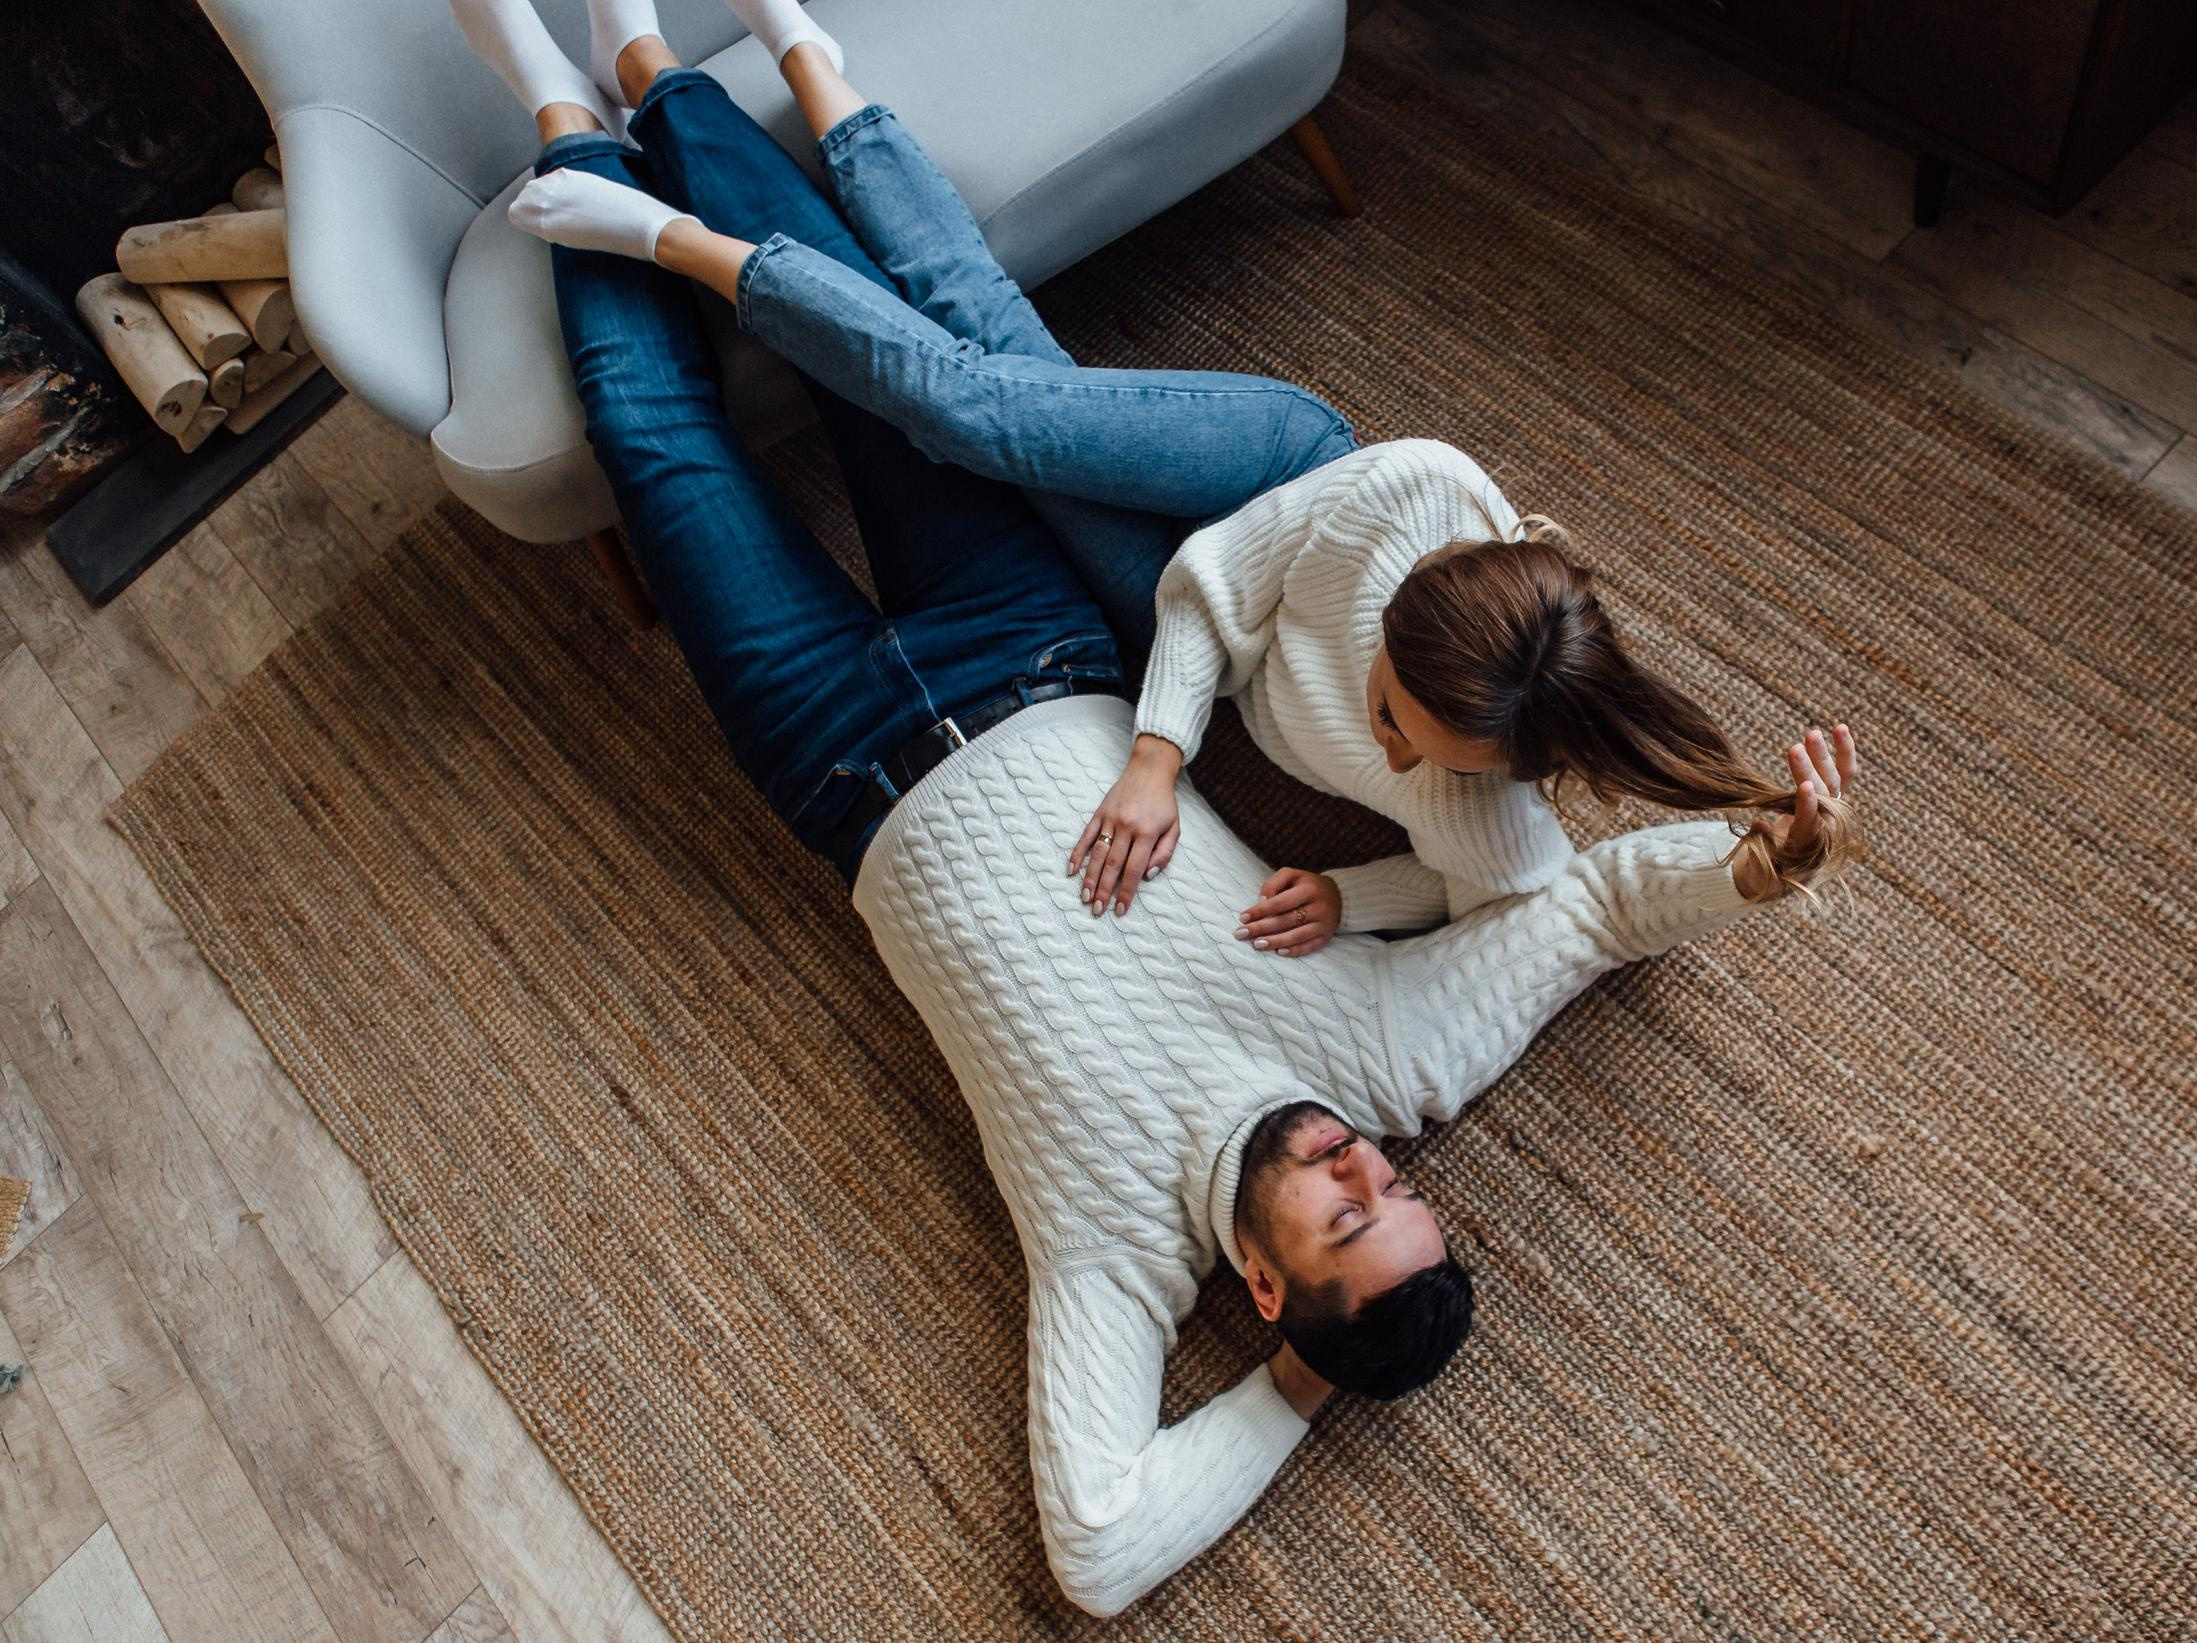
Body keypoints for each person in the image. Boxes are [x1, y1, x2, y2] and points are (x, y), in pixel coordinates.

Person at [450, 0, 1863, 1614]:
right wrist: (1761, 867)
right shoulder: (1396, 1066)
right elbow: (1594, 908)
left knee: (661, 443)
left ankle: (562, 111)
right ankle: (650, 67)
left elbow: (1100, 1548)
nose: (1363, 1170)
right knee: (885, 389)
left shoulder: (1116, 1258)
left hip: (835, 755)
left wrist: (1302, 1392)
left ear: (1264, 1288)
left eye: (1348, 1223)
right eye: (1398, 1194)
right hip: (1034, 648)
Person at [461, 0, 1865, 962]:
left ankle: (721, 67)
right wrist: (1155, 757)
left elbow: (1559, 899)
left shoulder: (1488, 794)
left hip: (1214, 617)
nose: (1383, 758)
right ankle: (676, 239)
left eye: (1419, 758)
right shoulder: (1410, 492)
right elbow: (1213, 583)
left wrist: (1756, 868)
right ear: (1396, 636)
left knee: (983, 327)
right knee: (976, 407)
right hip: (1262, 518)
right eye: (1388, 714)